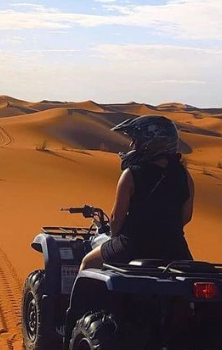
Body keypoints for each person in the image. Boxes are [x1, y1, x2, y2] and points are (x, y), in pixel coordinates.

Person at [80, 115, 193, 271]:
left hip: (134, 245)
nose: (132, 144)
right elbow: (186, 216)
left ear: (150, 143)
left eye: (136, 140)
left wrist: (115, 237)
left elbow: (115, 219)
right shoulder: (184, 175)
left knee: (87, 263)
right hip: (175, 248)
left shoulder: (131, 174)